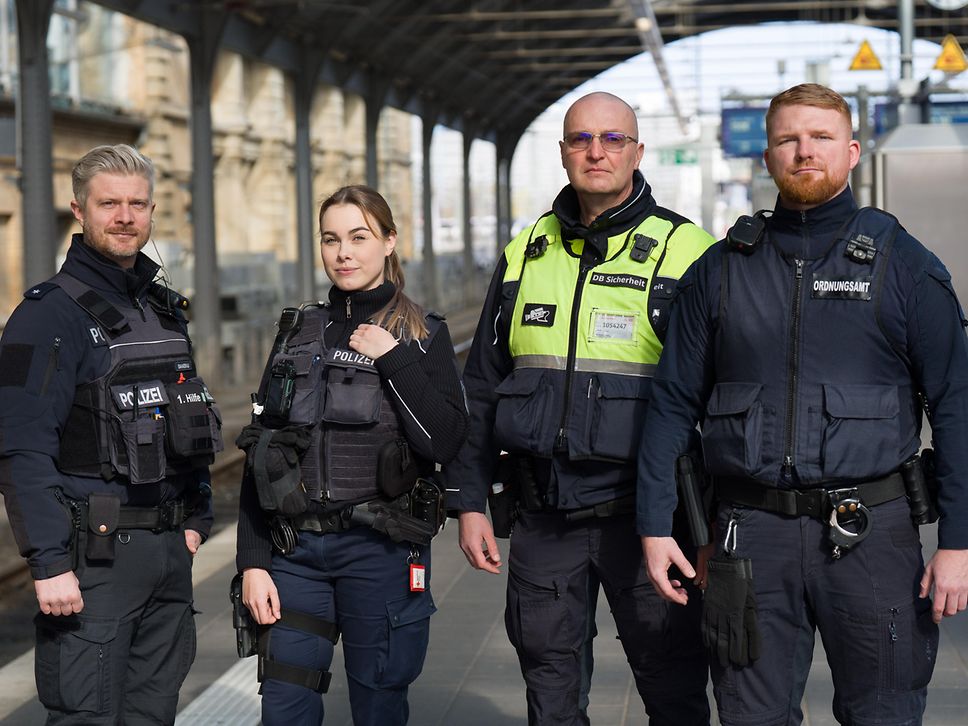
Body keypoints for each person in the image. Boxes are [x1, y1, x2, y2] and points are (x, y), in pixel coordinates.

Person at [639, 83, 968, 726]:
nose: (804, 151)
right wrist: (655, 527)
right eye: (788, 139)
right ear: (767, 157)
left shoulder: (904, 266)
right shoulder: (722, 270)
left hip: (871, 530)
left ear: (851, 152)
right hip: (750, 535)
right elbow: (673, 405)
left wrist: (958, 542)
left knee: (884, 713)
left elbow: (957, 407)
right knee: (750, 715)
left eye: (820, 138)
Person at [447, 91, 715, 725]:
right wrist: (467, 502)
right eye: (582, 139)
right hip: (544, 515)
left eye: (613, 138)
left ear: (637, 151)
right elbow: (482, 386)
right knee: (550, 686)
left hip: (650, 518)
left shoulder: (689, 251)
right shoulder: (523, 253)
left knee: (672, 683)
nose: (597, 151)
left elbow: (719, 395)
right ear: (563, 153)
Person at [0, 144, 219, 724]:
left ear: (151, 211)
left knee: (153, 715)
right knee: (86, 716)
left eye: (137, 204)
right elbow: (21, 446)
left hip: (168, 555)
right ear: (79, 210)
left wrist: (196, 522)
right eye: (109, 204)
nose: (125, 216)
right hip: (93, 563)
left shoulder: (164, 310)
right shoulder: (46, 316)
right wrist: (47, 563)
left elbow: (186, 413)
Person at [236, 185, 468, 726]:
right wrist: (252, 561)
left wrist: (395, 360)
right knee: (285, 709)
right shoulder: (296, 331)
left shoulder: (422, 334)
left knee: (379, 704)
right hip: (295, 556)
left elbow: (444, 441)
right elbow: (262, 450)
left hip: (381, 554)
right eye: (331, 239)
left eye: (359, 237)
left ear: (389, 241)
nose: (344, 252)